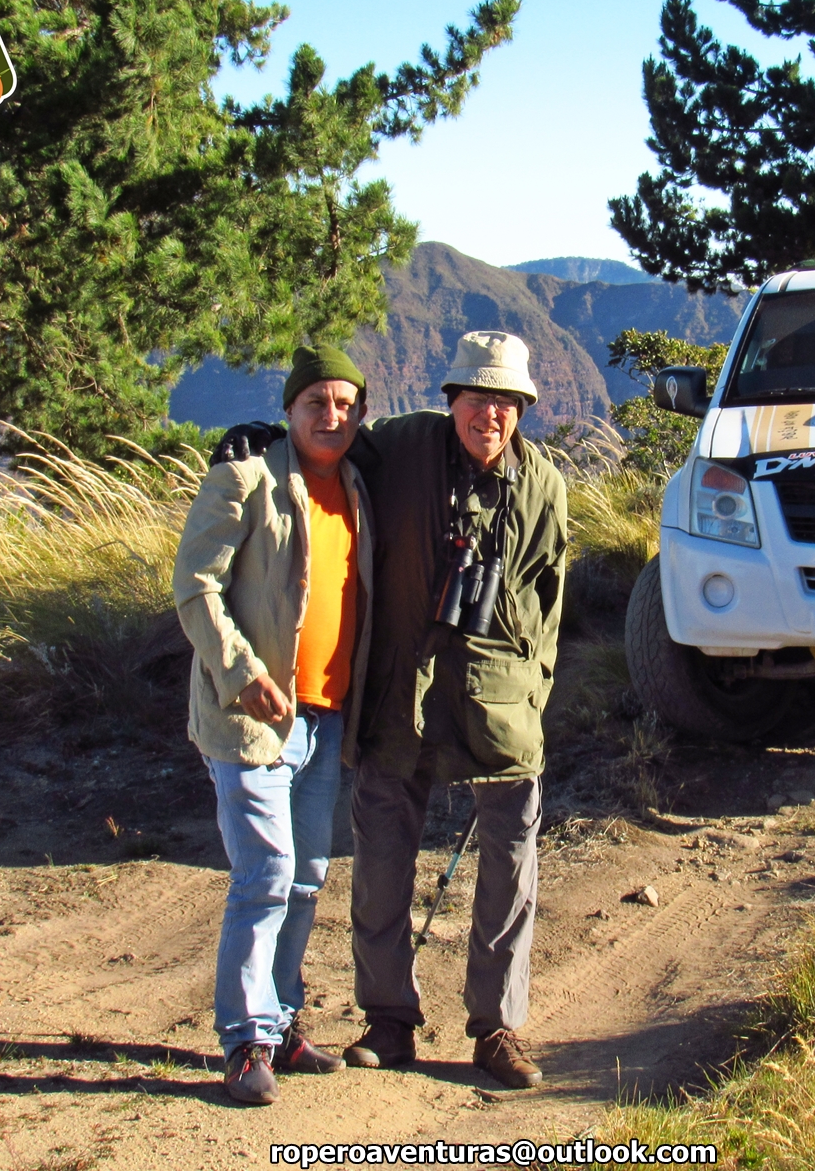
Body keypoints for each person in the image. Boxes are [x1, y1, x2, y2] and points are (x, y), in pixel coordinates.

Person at [213, 330, 567, 1089]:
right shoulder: (402, 446)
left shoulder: (543, 484)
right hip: (398, 691)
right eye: (477, 399)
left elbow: (549, 594)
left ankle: (497, 1028)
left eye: (506, 403)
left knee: (511, 860)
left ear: (522, 409)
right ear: (452, 400)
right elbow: (326, 447)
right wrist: (265, 440)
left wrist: (535, 687)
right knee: (379, 858)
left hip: (501, 701)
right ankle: (388, 1020)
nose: (490, 415)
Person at [173, 344, 374, 1106]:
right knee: (264, 877)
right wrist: (240, 671)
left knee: (306, 877)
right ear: (289, 409)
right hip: (251, 716)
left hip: (327, 716)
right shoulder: (245, 476)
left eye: (346, 404)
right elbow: (194, 584)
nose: (332, 416)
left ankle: (283, 1020)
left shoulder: (359, 483)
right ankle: (246, 1040)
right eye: (316, 402)